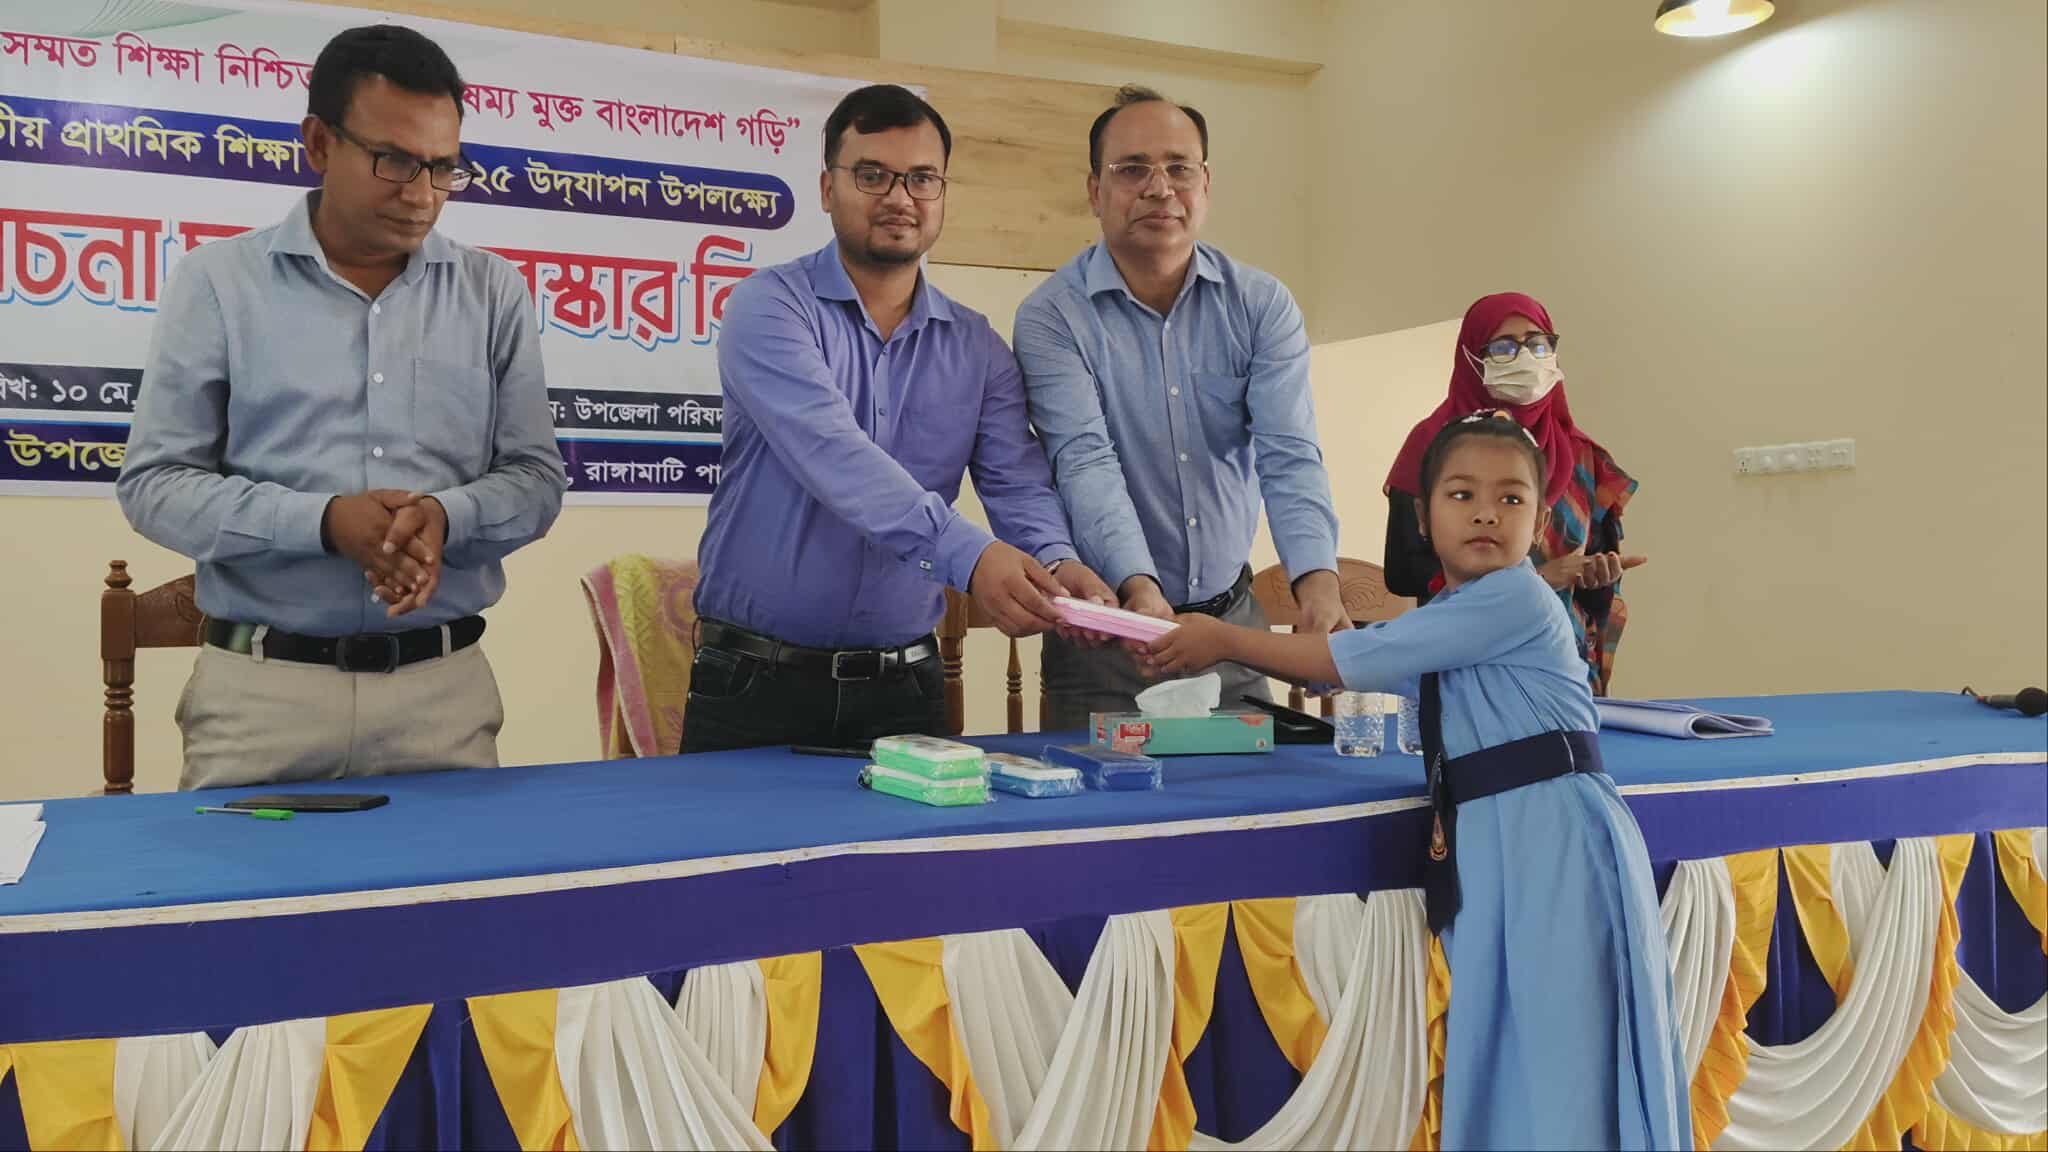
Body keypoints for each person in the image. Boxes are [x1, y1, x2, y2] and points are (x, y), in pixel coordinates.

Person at [1143, 412, 1690, 1150]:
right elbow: (1371, 672)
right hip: (1500, 840)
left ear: (1539, 523)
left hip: (1553, 838)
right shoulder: (1452, 615)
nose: (1487, 513)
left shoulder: (1515, 597)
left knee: (1561, 1048)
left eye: (1511, 498)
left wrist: (1223, 640)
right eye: (1462, 495)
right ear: (1424, 520)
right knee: (1511, 1041)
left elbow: (1348, 664)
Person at [117, 25, 565, 790]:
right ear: (320, 144)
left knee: (456, 874)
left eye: (443, 167)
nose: (421, 194)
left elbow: (536, 479)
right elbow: (155, 486)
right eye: (395, 161)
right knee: (246, 877)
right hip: (262, 700)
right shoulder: (219, 283)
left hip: (442, 696)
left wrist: (446, 516)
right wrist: (324, 523)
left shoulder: (492, 292)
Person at [686, 84, 1116, 755]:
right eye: (872, 175)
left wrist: (1056, 562)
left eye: (922, 178)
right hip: (753, 684)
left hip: (906, 688)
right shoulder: (768, 308)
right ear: (827, 188)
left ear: (941, 194)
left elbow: (1016, 480)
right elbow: (835, 455)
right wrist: (974, 557)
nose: (899, 197)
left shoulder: (977, 347)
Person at [1015, 85, 1346, 730]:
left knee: (1255, 795)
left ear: (1206, 184)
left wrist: (1319, 586)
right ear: (1095, 191)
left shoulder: (1261, 305)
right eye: (1132, 169)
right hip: (1109, 637)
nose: (1159, 188)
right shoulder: (1052, 317)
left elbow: (1289, 455)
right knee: (1098, 798)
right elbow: (1084, 460)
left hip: (1233, 633)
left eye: (1178, 167)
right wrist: (1138, 588)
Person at [1384, 292, 1643, 694]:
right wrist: (1535, 581)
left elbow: (1590, 597)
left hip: (1561, 670)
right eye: (1504, 347)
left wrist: (1598, 578)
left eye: (1538, 344)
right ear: (1472, 356)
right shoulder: (1432, 444)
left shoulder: (1581, 457)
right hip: (1465, 666)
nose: (1526, 358)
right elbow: (1403, 572)